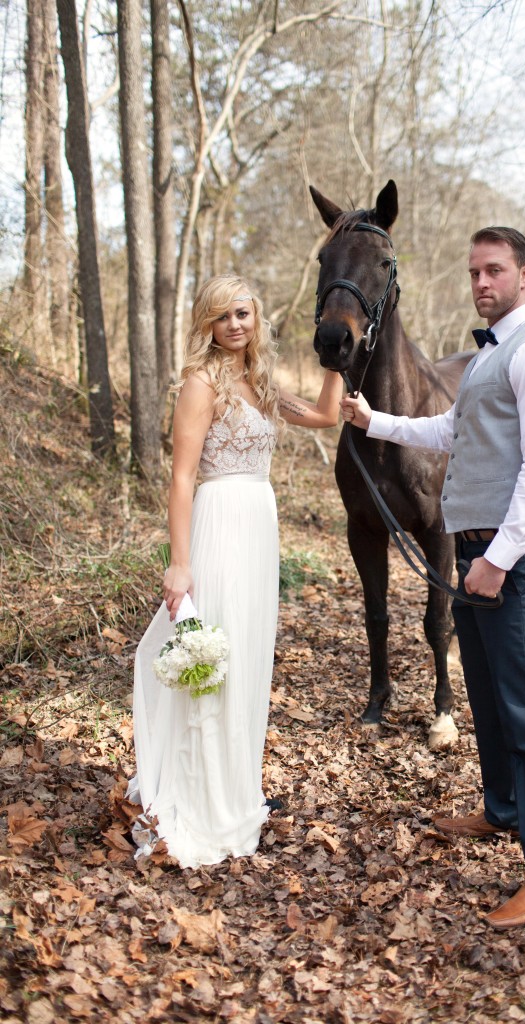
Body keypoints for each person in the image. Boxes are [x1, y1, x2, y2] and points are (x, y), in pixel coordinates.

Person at [340, 227, 525, 929]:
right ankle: (503, 809)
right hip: (477, 550)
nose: (481, 282)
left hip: (513, 555)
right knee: (485, 693)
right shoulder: (489, 357)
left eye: (494, 271)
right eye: (474, 271)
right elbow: (449, 430)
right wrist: (372, 420)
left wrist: (496, 561)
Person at [128, 273, 342, 868]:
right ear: (208, 324)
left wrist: (334, 354)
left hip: (259, 525)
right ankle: (203, 797)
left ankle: (240, 788)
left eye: (243, 314)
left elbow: (327, 415)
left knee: (246, 656)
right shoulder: (200, 384)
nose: (235, 325)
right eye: (223, 317)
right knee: (212, 655)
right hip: (218, 521)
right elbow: (181, 478)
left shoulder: (262, 383)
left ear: (257, 318)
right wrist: (179, 561)